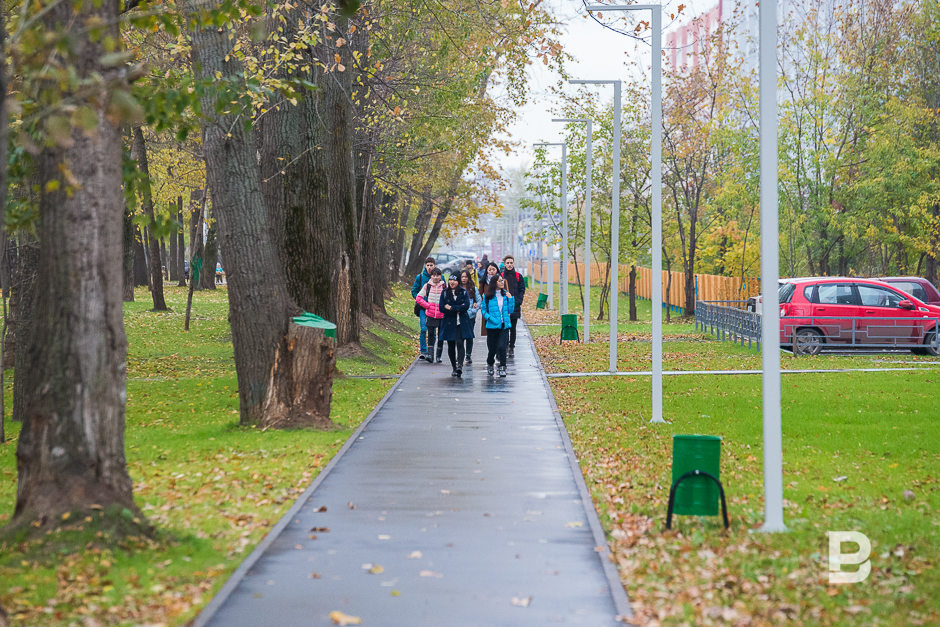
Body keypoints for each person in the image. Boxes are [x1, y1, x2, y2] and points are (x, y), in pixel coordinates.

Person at [481, 274, 514, 377]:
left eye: (502, 281)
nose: (502, 282)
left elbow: (510, 310)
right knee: (492, 349)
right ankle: (490, 364)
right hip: (492, 326)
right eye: (500, 281)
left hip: (504, 325)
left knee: (502, 346)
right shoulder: (487, 296)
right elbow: (483, 310)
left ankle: (502, 367)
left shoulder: (506, 295)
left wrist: (511, 299)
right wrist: (490, 318)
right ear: (494, 282)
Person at [440, 274, 472, 377]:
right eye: (450, 280)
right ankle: (454, 367)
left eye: (454, 280)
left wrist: (452, 308)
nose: (451, 282)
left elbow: (466, 306)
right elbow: (441, 307)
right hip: (449, 322)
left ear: (458, 281)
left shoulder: (463, 292)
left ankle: (460, 366)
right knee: (451, 345)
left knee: (460, 342)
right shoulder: (445, 292)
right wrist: (458, 307)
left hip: (461, 322)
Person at [415, 267, 446, 362]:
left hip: (442, 315)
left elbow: (448, 298)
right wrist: (427, 306)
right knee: (431, 334)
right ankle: (430, 355)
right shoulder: (427, 286)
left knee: (441, 336)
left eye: (438, 275)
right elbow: (418, 298)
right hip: (430, 314)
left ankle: (438, 356)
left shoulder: (444, 287)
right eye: (434, 275)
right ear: (431, 276)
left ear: (441, 276)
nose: (436, 277)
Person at [500, 255, 526, 358]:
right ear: (505, 264)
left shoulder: (518, 276)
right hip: (504, 307)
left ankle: (511, 347)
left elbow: (522, 290)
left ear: (513, 263)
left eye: (511, 263)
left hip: (515, 306)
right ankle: (505, 346)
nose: (510, 265)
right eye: (508, 263)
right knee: (505, 328)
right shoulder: (500, 275)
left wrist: (518, 301)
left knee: (513, 328)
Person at [411, 257, 436, 360]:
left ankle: (431, 350)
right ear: (425, 266)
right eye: (428, 265)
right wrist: (420, 299)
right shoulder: (420, 277)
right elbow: (414, 291)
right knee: (423, 329)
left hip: (434, 309)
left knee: (433, 331)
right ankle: (423, 351)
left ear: (434, 265)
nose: (429, 267)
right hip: (423, 308)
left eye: (431, 265)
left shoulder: (439, 276)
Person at [460, 269, 481, 365]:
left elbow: (479, 300)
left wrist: (473, 311)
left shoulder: (473, 288)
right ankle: (460, 355)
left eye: (465, 277)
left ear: (468, 278)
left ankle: (468, 355)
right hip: (459, 315)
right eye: (462, 277)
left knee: (469, 336)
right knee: (459, 337)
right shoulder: (457, 288)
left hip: (470, 316)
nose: (464, 279)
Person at [478, 262, 500, 337]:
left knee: (499, 328)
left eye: (493, 269)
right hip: (488, 308)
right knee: (489, 330)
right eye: (489, 269)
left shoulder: (501, 281)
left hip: (499, 307)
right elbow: (479, 294)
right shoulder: (483, 281)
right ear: (486, 271)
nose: (491, 271)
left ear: (497, 270)